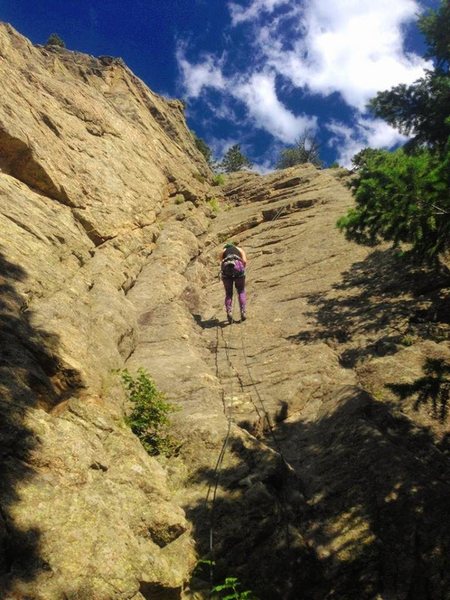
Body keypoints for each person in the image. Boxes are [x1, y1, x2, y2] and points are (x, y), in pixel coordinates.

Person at [219, 241, 247, 323]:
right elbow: (244, 261)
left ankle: (229, 311)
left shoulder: (223, 251)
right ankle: (243, 311)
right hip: (239, 270)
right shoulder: (240, 249)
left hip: (226, 273)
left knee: (228, 293)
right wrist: (242, 269)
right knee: (241, 291)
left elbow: (221, 264)